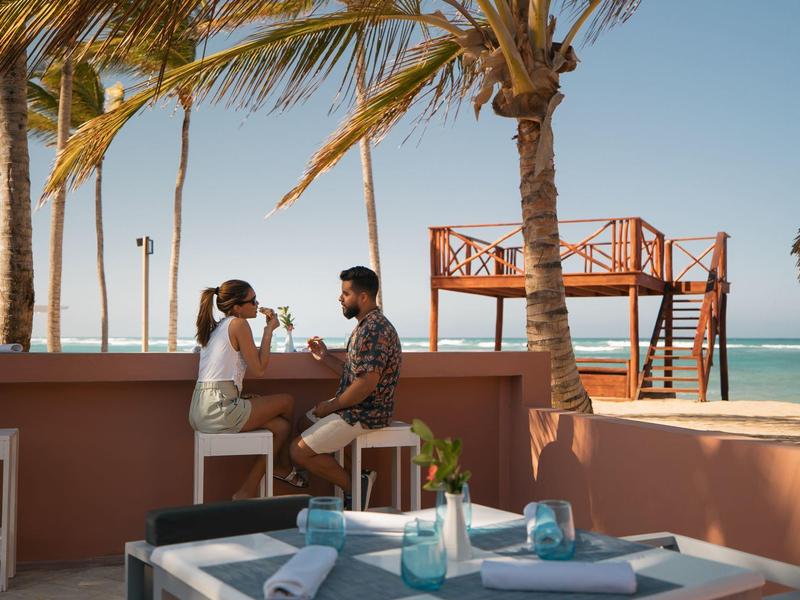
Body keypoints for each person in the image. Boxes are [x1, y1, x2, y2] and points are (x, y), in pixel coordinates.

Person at [290, 266, 402, 510]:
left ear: (363, 297)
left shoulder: (373, 329)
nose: (340, 298)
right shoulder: (365, 326)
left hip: (366, 412)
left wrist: (330, 406)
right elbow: (356, 374)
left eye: (346, 293)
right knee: (304, 422)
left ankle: (354, 487)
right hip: (356, 407)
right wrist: (326, 357)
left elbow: (365, 384)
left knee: (298, 452)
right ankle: (358, 475)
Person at [190, 279, 307, 499]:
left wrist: (238, 396)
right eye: (252, 301)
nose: (257, 304)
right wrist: (269, 330)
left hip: (201, 409)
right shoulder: (238, 324)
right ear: (236, 306)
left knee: (281, 428)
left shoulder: (218, 327)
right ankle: (283, 466)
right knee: (287, 401)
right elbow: (259, 368)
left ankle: (246, 490)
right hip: (219, 408)